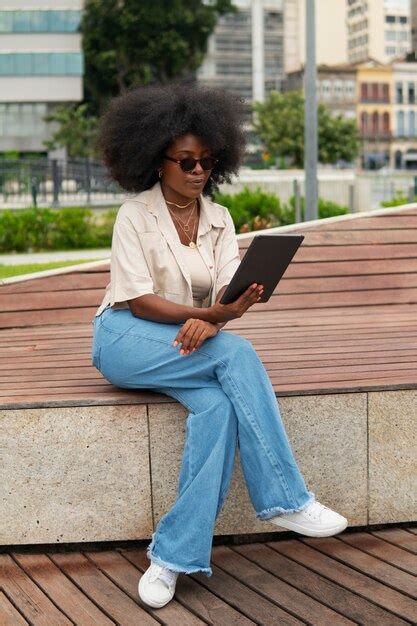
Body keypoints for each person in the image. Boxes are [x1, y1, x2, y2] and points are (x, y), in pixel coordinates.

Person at [92, 84, 348, 610]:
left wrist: (226, 311)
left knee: (217, 410)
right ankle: (285, 497)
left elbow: (231, 292)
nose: (197, 170)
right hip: (123, 339)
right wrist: (210, 317)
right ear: (155, 159)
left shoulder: (220, 219)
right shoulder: (134, 216)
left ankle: (170, 559)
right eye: (185, 160)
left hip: (185, 346)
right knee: (238, 354)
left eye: (207, 160)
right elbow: (139, 302)